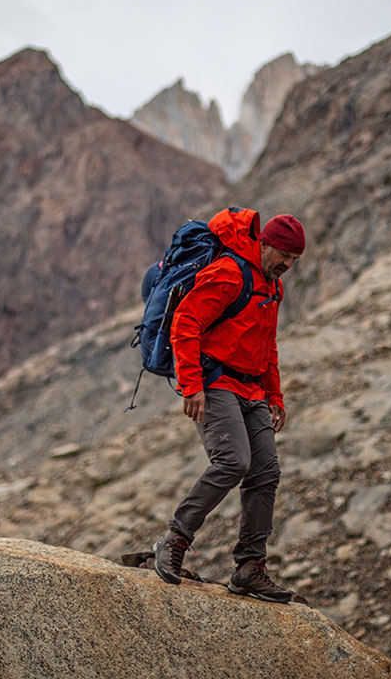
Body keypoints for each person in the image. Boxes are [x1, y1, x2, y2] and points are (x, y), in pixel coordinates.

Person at [152, 207, 305, 603]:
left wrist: (275, 395)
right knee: (233, 461)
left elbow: (267, 344)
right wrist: (192, 385)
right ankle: (173, 540)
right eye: (284, 255)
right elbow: (185, 321)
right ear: (265, 244)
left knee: (266, 470)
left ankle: (249, 568)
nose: (288, 264)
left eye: (294, 259)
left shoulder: (273, 285)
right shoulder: (230, 272)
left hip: (252, 389)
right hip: (215, 381)